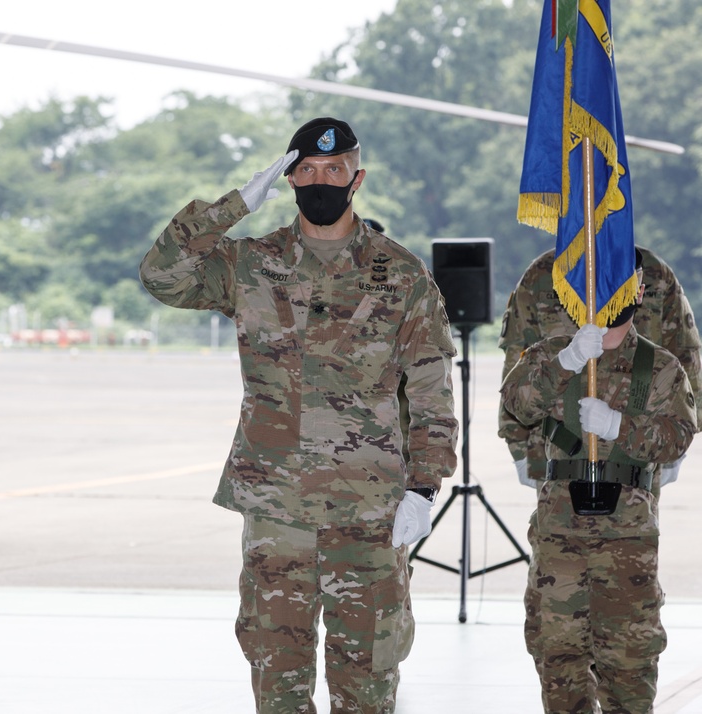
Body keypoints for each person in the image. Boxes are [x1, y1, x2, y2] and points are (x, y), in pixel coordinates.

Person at [139, 117, 459, 713]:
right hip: (276, 510)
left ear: (355, 179)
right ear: (288, 179)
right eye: (307, 170)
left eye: (333, 170)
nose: (321, 181)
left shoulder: (402, 272)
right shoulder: (249, 264)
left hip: (370, 508)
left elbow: (432, 383)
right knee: (277, 679)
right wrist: (233, 206)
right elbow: (161, 275)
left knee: (368, 680)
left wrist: (424, 485)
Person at [500, 258, 697, 714]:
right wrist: (567, 360)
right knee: (557, 657)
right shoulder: (552, 354)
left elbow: (678, 436)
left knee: (629, 664)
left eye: (619, 285)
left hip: (627, 540)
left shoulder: (661, 365)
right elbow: (518, 404)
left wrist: (619, 427)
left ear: (639, 292)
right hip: (559, 537)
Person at [498, 246, 702, 486]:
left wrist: (675, 450)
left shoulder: (653, 270)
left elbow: (686, 352)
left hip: (639, 448)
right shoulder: (544, 271)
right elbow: (517, 359)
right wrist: (520, 447)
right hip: (558, 452)